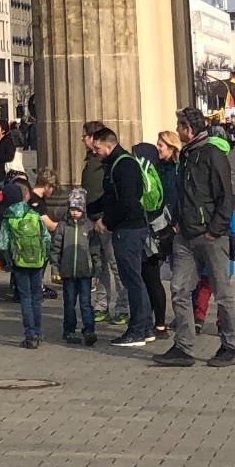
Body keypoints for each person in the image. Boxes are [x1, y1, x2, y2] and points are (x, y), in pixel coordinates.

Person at [157, 107, 235, 369]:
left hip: (211, 236)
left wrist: (215, 230)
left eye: (179, 127)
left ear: (188, 129)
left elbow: (226, 197)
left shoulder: (213, 155)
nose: (177, 131)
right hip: (186, 234)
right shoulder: (187, 155)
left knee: (222, 292)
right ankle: (183, 346)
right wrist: (179, 221)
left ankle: (229, 346)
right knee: (179, 288)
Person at [85, 125, 154, 347]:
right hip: (128, 228)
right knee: (134, 279)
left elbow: (127, 201)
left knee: (132, 280)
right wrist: (91, 207)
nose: (95, 152)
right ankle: (144, 326)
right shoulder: (116, 163)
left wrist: (106, 221)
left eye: (97, 148)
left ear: (109, 144)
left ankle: (138, 329)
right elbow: (110, 196)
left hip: (129, 229)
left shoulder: (123, 164)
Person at [0, 177, 52, 349]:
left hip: (19, 262)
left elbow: (3, 243)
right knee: (36, 298)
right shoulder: (34, 215)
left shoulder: (8, 218)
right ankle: (38, 331)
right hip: (37, 261)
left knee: (25, 298)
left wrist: (9, 260)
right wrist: (45, 258)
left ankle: (30, 335)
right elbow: (46, 238)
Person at [78, 129, 120, 321]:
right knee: (100, 265)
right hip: (93, 218)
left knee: (115, 265)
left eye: (85, 135)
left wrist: (106, 218)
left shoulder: (108, 164)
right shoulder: (91, 162)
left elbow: (110, 195)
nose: (83, 139)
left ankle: (123, 307)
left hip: (106, 221)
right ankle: (102, 304)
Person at [51, 187, 97, 347]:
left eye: (78, 209)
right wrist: (55, 268)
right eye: (72, 209)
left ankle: (89, 329)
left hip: (85, 272)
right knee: (69, 302)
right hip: (68, 272)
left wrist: (97, 269)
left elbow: (95, 249)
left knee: (86, 302)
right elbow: (55, 248)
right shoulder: (63, 226)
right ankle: (69, 330)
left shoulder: (89, 226)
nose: (75, 212)